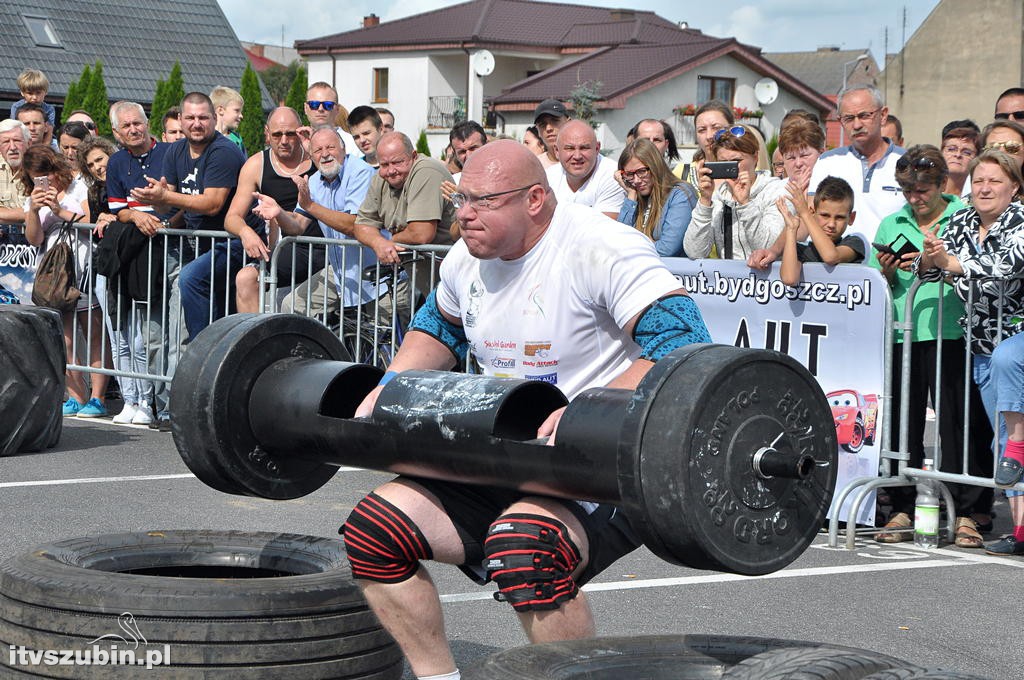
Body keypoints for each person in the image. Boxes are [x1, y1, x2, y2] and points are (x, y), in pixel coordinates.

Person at [343, 139, 710, 680]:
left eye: (482, 202)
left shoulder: (601, 245)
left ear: (535, 199)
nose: (463, 215)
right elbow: (438, 326)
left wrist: (591, 406)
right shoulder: (468, 255)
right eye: (460, 198)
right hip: (505, 451)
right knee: (374, 532)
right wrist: (390, 384)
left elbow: (683, 340)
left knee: (526, 551)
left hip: (600, 460)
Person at [867, 145, 994, 546]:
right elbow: (875, 283)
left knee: (960, 425)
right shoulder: (891, 223)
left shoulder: (964, 216)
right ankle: (903, 504)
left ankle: (971, 510)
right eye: (907, 190)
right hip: (905, 334)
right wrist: (886, 273)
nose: (914, 198)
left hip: (953, 333)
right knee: (902, 424)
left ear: (943, 183)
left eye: (922, 190)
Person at [916, 149, 1024, 555]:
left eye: (995, 181)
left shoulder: (1022, 223)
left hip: (1016, 340)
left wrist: (953, 263)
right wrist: (930, 257)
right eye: (979, 180)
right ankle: (1020, 532)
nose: (984, 188)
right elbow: (929, 271)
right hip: (980, 345)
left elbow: (1006, 265)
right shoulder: (960, 219)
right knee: (1005, 441)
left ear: (1014, 187)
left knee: (1016, 440)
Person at [131, 92, 250, 343]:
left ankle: (202, 349)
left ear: (214, 118)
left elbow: (212, 204)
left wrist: (165, 197)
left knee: (191, 278)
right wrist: (156, 199)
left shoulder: (223, 151)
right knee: (214, 302)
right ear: (181, 120)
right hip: (201, 243)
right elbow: (169, 206)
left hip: (236, 239)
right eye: (190, 118)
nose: (197, 124)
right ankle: (210, 356)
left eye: (203, 118)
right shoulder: (175, 151)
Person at [21, 145, 111, 418]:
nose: (44, 181)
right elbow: (34, 239)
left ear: (56, 167)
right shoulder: (32, 198)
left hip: (83, 267)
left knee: (94, 333)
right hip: (55, 272)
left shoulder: (80, 187)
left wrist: (58, 210)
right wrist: (35, 211)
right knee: (64, 339)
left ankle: (98, 397)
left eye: (46, 173)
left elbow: (90, 222)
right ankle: (76, 395)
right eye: (36, 176)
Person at [105, 101, 178, 429]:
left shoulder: (171, 153)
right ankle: (136, 399)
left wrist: (163, 222)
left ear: (147, 124)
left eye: (138, 123)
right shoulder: (117, 162)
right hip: (133, 253)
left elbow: (182, 200)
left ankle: (158, 402)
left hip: (169, 248)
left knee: (158, 332)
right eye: (127, 126)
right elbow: (118, 208)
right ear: (116, 133)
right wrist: (136, 216)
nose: (134, 129)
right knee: (131, 334)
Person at [256, 127, 378, 322]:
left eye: (330, 147)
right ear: (311, 156)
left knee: (380, 340)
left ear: (344, 149)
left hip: (375, 272)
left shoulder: (361, 173)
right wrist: (278, 212)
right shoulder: (313, 181)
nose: (325, 154)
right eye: (318, 150)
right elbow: (297, 226)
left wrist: (311, 206)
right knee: (293, 305)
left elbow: (354, 225)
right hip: (339, 271)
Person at [79, 135, 155, 426]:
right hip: (105, 266)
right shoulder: (95, 191)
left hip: (132, 262)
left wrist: (117, 218)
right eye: (91, 164)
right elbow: (96, 218)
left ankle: (146, 400)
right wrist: (101, 218)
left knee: (137, 338)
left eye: (100, 159)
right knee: (117, 337)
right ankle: (129, 399)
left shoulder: (128, 178)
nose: (98, 166)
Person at [227, 107, 317, 314]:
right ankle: (255, 343)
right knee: (246, 278)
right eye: (277, 134)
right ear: (267, 134)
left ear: (301, 131)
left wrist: (314, 150)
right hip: (285, 248)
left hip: (322, 247)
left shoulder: (317, 158)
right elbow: (232, 217)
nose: (284, 140)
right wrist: (246, 233)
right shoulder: (257, 164)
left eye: (290, 134)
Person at [808, 85, 905, 242]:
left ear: (883, 115)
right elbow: (811, 219)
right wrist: (774, 250)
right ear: (840, 121)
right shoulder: (827, 162)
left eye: (864, 115)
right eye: (849, 118)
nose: (857, 125)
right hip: (836, 264)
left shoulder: (909, 163)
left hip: (890, 265)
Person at [684, 124, 787, 260]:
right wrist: (704, 201)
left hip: (770, 279)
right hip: (729, 280)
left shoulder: (776, 191)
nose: (732, 168)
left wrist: (745, 204)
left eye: (736, 161)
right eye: (724, 162)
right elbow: (694, 252)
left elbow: (769, 248)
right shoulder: (717, 198)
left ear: (755, 157)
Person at [614, 138, 695, 257]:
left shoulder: (679, 194)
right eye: (630, 174)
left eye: (642, 171)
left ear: (655, 166)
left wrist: (632, 245)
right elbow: (619, 242)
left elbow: (666, 249)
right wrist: (631, 195)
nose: (636, 180)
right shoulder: (635, 196)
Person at [545, 120, 624, 219]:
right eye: (569, 148)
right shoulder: (548, 178)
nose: (577, 156)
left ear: (597, 148)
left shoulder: (613, 176)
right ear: (557, 151)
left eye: (584, 148)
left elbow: (604, 228)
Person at [777, 119, 824, 190]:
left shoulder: (835, 189)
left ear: (821, 154)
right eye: (791, 158)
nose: (798, 164)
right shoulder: (773, 193)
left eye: (804, 156)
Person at [940, 119, 980, 197]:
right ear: (941, 152)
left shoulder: (979, 195)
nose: (958, 155)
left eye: (966, 153)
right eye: (951, 149)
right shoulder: (925, 188)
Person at [0, 119, 29, 223]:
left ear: (28, 143)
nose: (12, 147)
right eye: (6, 142)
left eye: (17, 140)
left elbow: (40, 212)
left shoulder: (40, 167)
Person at [533, 98, 569, 167]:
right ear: (538, 130)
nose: (548, 128)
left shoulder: (581, 161)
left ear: (568, 122)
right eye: (542, 124)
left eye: (554, 121)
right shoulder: (535, 166)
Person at [210, 86, 245, 154]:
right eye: (237, 110)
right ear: (220, 110)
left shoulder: (237, 140)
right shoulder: (205, 138)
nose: (241, 116)